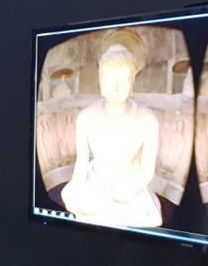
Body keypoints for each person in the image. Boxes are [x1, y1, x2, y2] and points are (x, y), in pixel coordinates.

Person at [61, 44, 162, 228]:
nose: (115, 87)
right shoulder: (86, 116)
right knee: (75, 201)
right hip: (95, 181)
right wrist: (76, 186)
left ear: (132, 81)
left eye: (122, 80)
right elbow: (82, 162)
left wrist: (125, 190)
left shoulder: (147, 119)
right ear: (100, 81)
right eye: (109, 79)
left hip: (129, 185)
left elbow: (147, 171)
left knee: (136, 217)